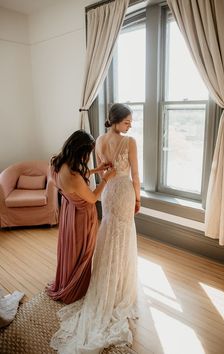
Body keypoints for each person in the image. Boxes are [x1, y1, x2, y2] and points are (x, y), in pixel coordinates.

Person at [50, 103, 141, 354]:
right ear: (115, 121)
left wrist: (100, 172)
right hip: (119, 190)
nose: (130, 125)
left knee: (110, 232)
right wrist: (138, 197)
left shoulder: (94, 142)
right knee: (121, 235)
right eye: (127, 122)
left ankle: (102, 277)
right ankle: (117, 284)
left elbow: (86, 176)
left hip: (109, 193)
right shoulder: (130, 143)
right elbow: (134, 174)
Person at [46, 130, 116, 304]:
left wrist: (96, 170)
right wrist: (106, 178)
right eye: (87, 154)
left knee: (71, 247)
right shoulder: (74, 177)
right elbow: (92, 198)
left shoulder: (55, 162)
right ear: (80, 153)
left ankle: (67, 277)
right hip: (83, 215)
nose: (88, 157)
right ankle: (76, 286)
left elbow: (73, 181)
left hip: (69, 210)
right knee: (84, 250)